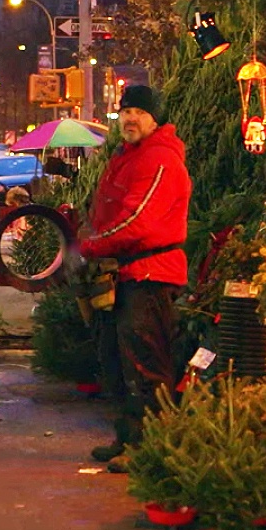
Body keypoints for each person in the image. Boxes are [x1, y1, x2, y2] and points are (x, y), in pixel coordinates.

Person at [80, 84, 191, 471]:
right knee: (117, 360)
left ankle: (153, 447)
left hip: (150, 274)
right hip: (125, 274)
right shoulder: (129, 155)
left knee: (145, 365)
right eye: (125, 111)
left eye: (138, 112)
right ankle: (128, 436)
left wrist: (92, 246)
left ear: (154, 119)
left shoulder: (159, 159)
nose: (129, 118)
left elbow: (137, 220)